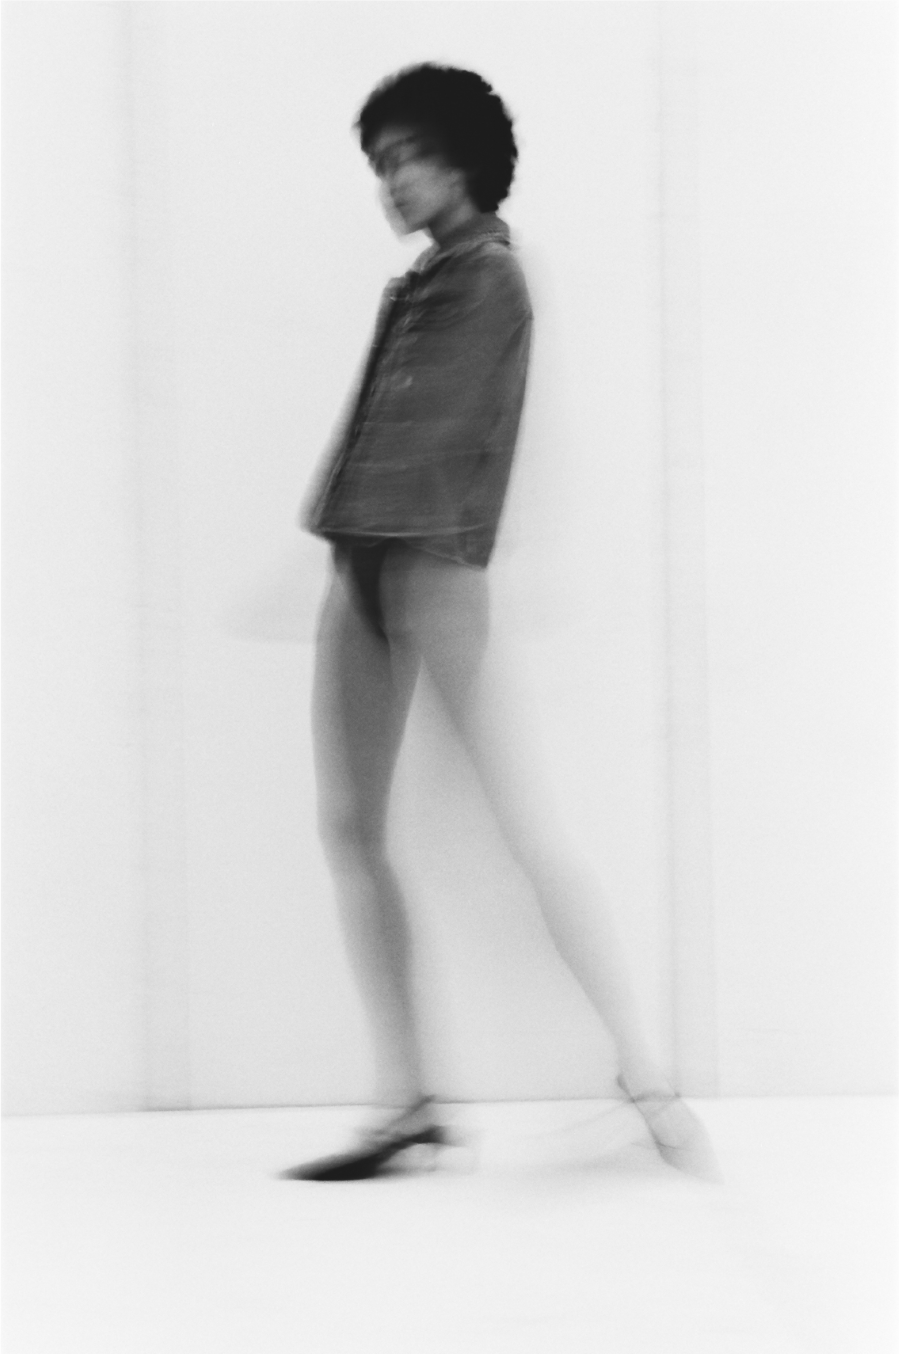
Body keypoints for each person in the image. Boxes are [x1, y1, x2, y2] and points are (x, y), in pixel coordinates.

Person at [286, 63, 718, 1183]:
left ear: (462, 159)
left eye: (405, 157)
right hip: (363, 571)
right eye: (378, 164)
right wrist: (333, 548)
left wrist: (376, 554)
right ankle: (407, 1103)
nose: (389, 182)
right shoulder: (419, 283)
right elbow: (374, 443)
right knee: (350, 830)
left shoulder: (490, 279)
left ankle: (643, 1080)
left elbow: (441, 450)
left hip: (428, 576)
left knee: (519, 835)